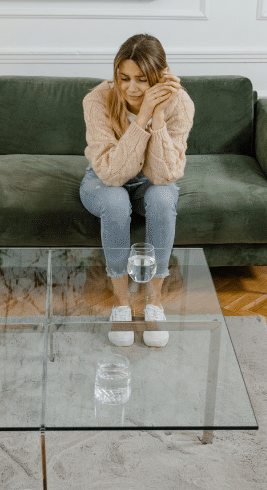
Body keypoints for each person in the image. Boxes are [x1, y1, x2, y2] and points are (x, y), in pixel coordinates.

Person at [80, 34, 195, 348]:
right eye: (124, 78)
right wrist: (141, 115)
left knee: (161, 197)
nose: (131, 88)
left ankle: (153, 302)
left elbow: (163, 175)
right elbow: (113, 174)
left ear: (159, 77)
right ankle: (121, 304)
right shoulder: (97, 99)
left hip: (150, 181)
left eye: (142, 80)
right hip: (103, 180)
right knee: (116, 202)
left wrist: (157, 115)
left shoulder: (179, 102)